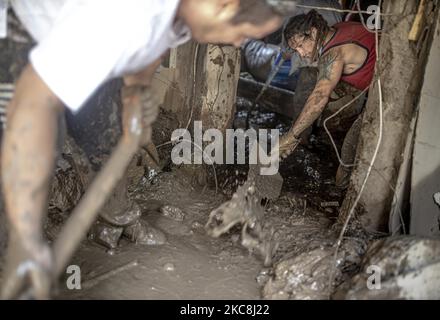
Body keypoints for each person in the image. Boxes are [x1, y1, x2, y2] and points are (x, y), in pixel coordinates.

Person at [1, 0, 287, 299]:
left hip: (93, 48)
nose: (240, 43)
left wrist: (135, 94)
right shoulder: (124, 15)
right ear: (222, 4)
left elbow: (155, 47)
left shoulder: (180, 16)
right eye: (243, 33)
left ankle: (116, 219)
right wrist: (26, 240)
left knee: (108, 140)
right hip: (23, 37)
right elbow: (31, 106)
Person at [278, 10, 376, 187]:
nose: (301, 54)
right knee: (322, 95)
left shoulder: (332, 54)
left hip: (385, 97)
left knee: (349, 152)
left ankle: (345, 195)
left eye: (301, 46)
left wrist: (291, 136)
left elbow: (319, 96)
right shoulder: (337, 29)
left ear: (314, 32)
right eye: (296, 50)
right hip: (373, 85)